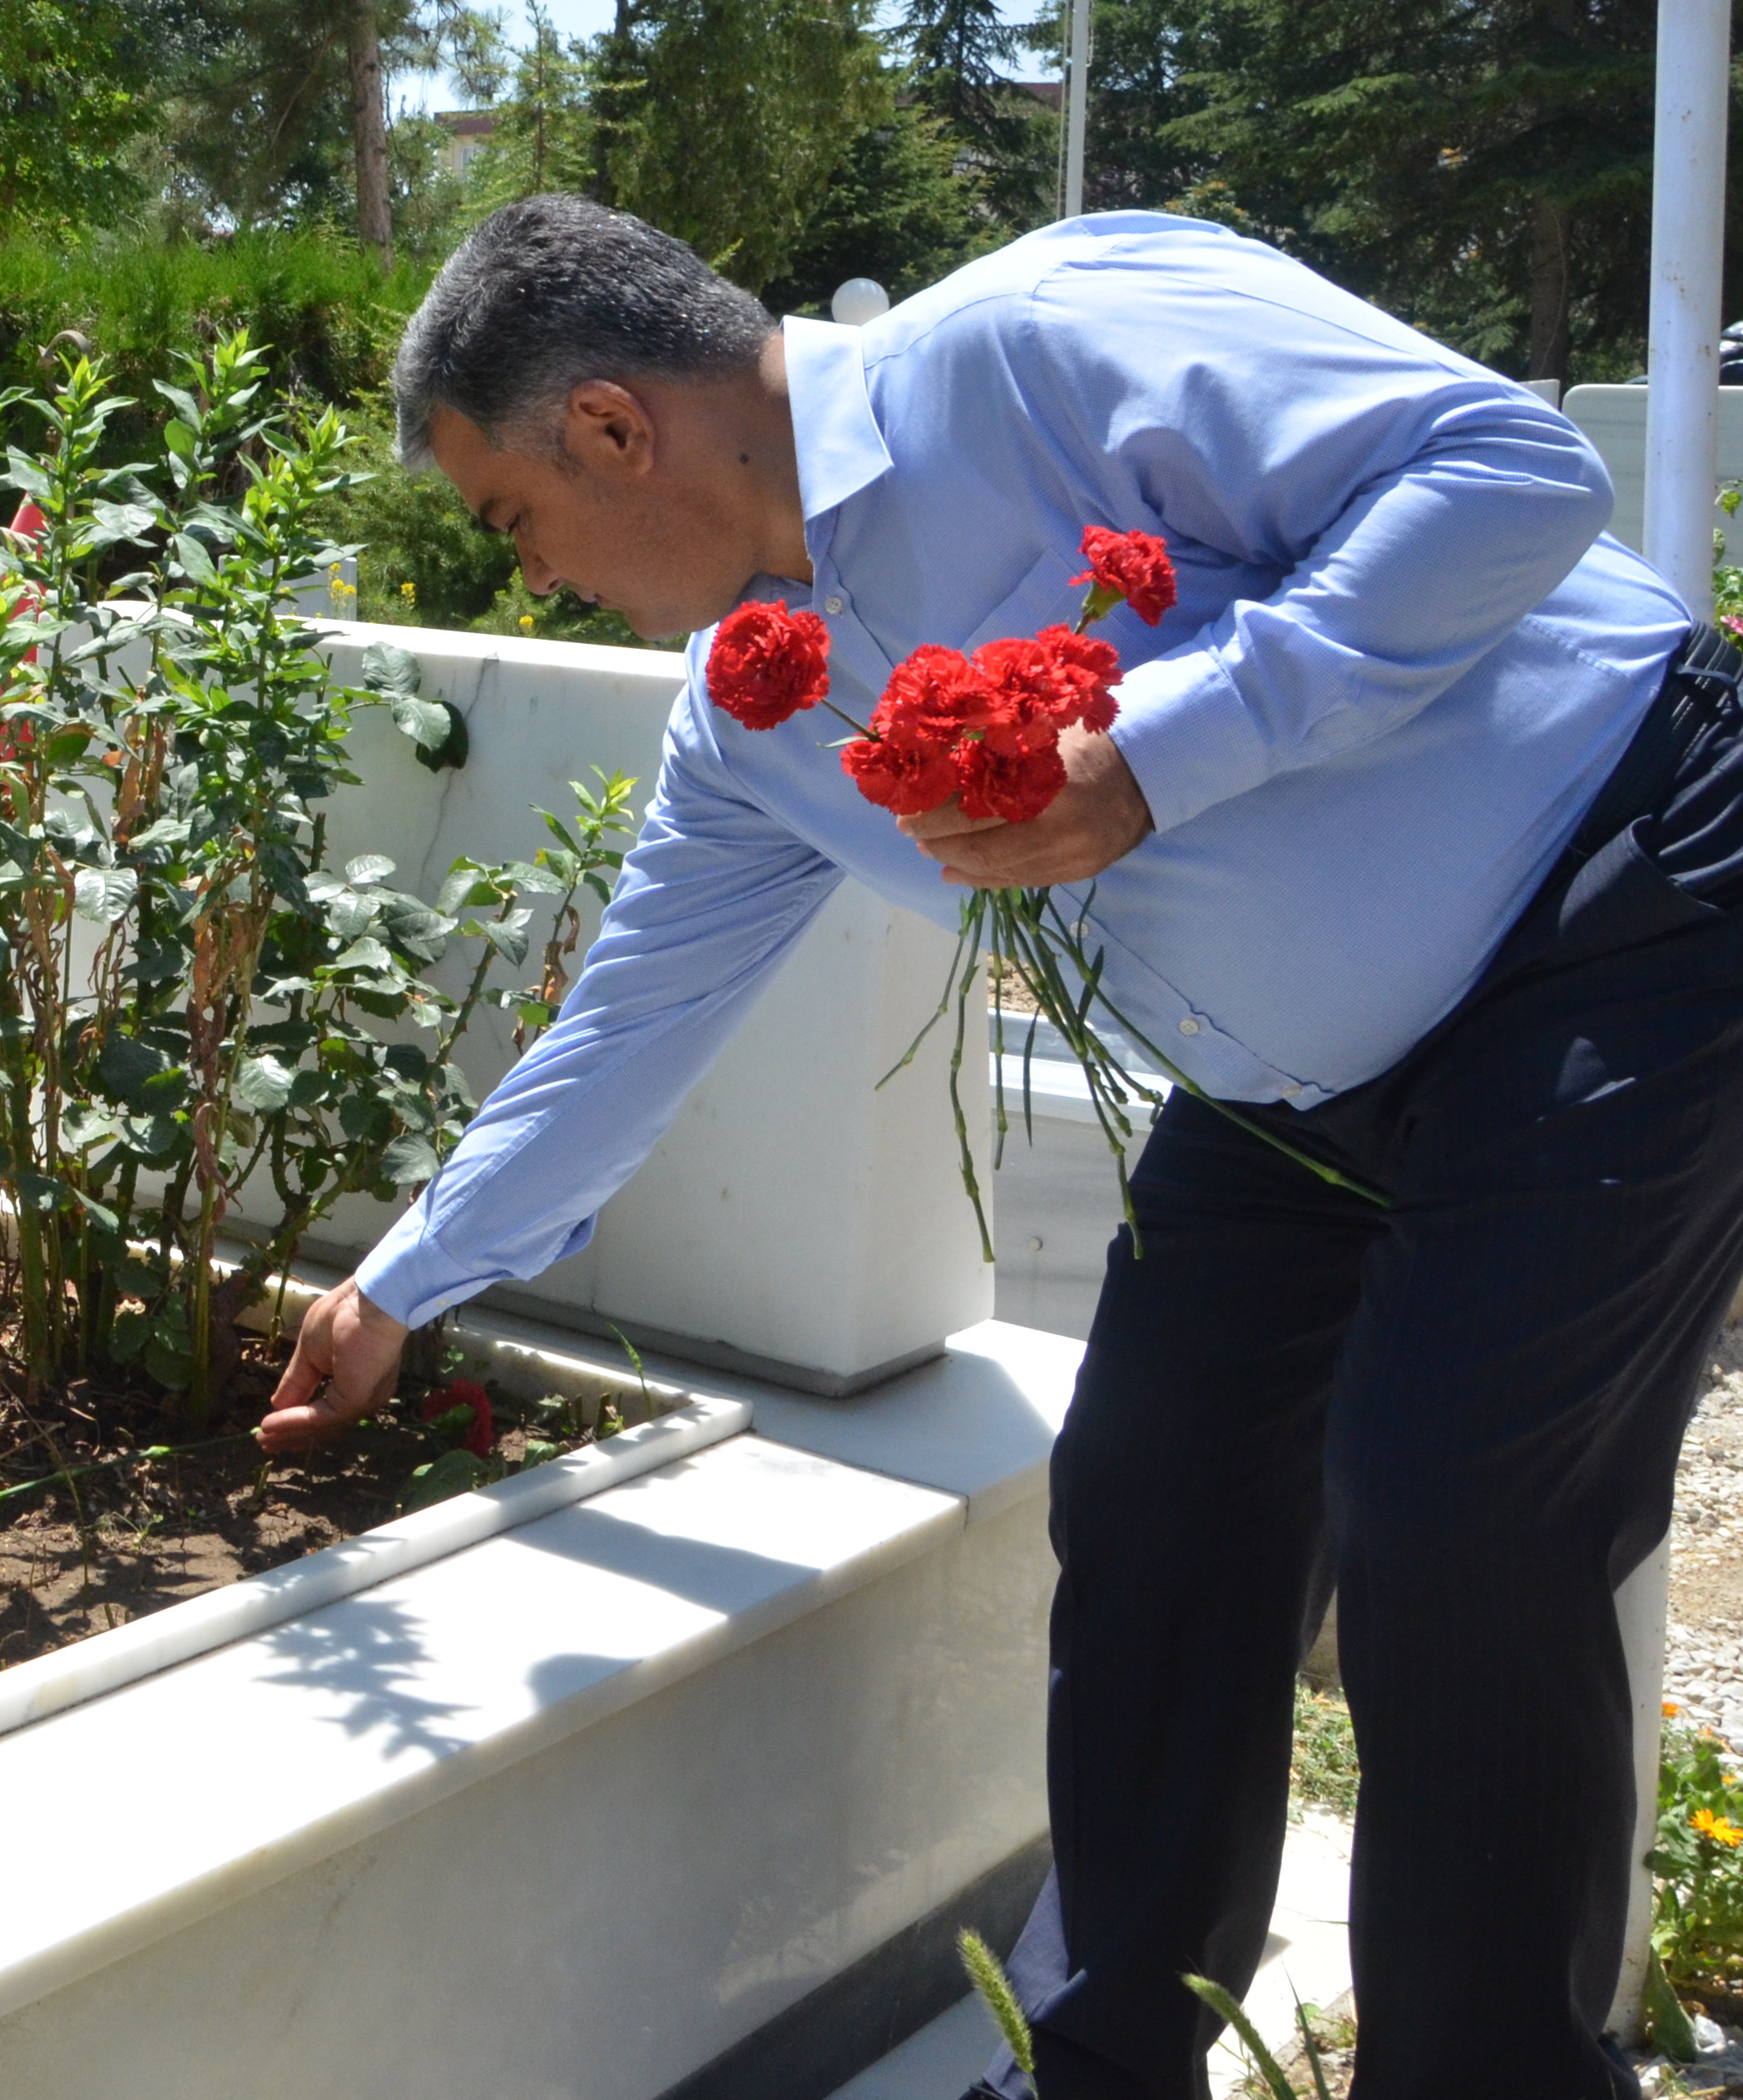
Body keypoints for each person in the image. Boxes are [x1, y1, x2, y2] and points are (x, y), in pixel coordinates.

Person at [260, 195, 1743, 2100]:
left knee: (1453, 1520)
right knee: (1146, 1495)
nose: (530, 580)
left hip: (1614, 909)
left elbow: (1508, 474)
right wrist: (402, 1287)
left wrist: (1165, 743)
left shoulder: (1046, 332)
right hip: (1291, 1086)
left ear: (615, 428)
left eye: (512, 520)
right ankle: (1106, 2066)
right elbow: (627, 1024)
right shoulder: (754, 715)